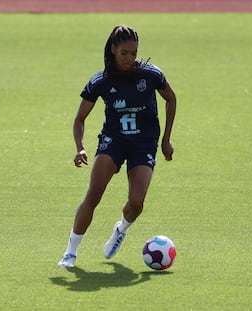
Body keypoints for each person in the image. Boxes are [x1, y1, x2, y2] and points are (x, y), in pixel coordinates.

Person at [58, 25, 176, 268]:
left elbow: (171, 98)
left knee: (136, 202)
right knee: (93, 194)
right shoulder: (100, 81)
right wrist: (80, 147)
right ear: (113, 49)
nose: (130, 59)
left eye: (134, 53)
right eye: (125, 53)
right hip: (113, 141)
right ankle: (70, 253)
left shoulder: (151, 75)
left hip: (143, 143)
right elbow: (80, 119)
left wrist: (165, 140)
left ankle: (121, 228)